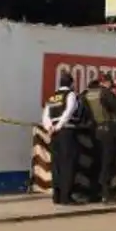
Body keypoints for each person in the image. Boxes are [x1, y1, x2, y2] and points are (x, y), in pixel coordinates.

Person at [81, 73, 116, 203]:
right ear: (106, 83)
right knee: (107, 163)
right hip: (107, 131)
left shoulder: (85, 94)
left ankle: (93, 193)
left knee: (95, 162)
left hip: (93, 132)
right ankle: (106, 194)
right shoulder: (106, 93)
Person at [43, 72, 84, 206]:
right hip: (66, 131)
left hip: (54, 134)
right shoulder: (70, 95)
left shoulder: (52, 97)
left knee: (56, 164)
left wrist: (50, 127)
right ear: (71, 83)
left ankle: (57, 196)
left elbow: (46, 115)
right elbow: (69, 111)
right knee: (68, 164)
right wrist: (59, 126)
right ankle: (66, 197)